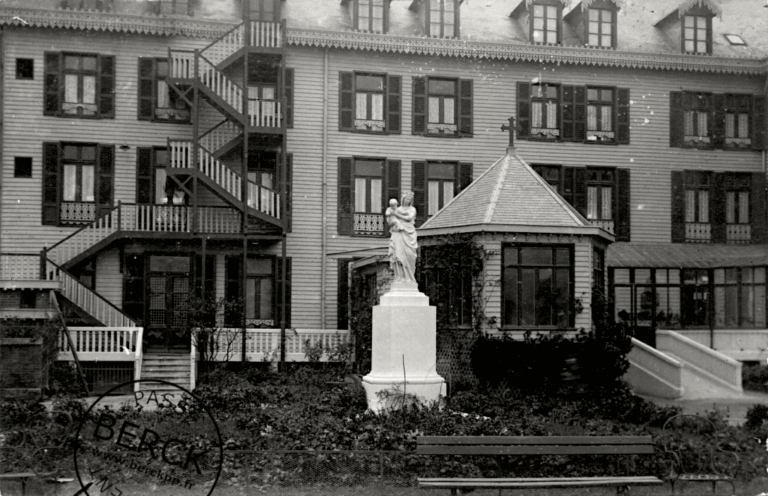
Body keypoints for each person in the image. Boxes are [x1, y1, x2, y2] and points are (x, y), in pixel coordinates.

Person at [387, 192, 418, 284]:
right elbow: (389, 221)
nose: (408, 200)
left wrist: (396, 214)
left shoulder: (412, 209)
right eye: (406, 198)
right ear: (403, 199)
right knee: (398, 255)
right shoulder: (397, 209)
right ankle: (399, 278)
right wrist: (394, 219)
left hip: (409, 232)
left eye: (410, 199)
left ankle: (409, 278)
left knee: (410, 254)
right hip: (399, 232)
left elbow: (409, 218)